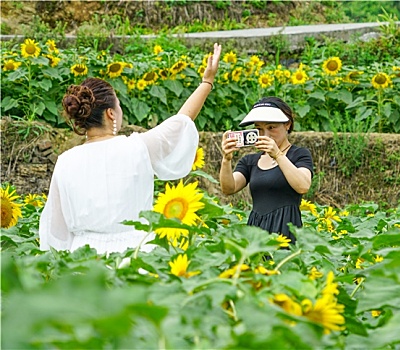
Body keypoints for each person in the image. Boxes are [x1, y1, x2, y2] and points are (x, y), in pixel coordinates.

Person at [39, 43, 222, 254]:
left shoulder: (65, 161)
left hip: (83, 259)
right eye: (118, 105)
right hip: (134, 255)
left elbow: (56, 229)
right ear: (110, 113)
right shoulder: (137, 148)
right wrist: (207, 82)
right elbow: (180, 123)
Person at [220, 97, 313, 244]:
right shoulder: (250, 161)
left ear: (287, 125)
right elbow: (229, 188)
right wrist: (226, 159)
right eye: (259, 129)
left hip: (286, 229)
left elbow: (303, 185)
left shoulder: (299, 154)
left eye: (271, 127)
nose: (266, 135)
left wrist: (277, 155)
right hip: (256, 230)